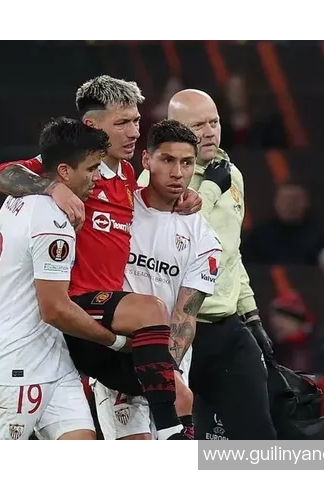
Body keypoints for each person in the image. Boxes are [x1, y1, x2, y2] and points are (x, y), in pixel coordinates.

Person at [0, 76, 202, 439]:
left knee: (180, 394)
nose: (134, 132)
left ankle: (173, 438)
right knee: (151, 311)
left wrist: (184, 197)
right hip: (79, 308)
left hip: (109, 315)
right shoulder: (76, 169)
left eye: (136, 120)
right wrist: (52, 188)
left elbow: (152, 197)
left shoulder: (128, 173)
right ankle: (167, 432)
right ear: (92, 125)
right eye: (122, 123)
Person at [138, 89, 277, 440]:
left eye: (214, 122)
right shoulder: (153, 179)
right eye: (198, 125)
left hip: (225, 324)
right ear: (176, 128)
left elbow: (229, 251)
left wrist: (250, 312)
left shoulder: (230, 174)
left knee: (257, 433)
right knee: (176, 436)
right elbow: (175, 241)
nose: (210, 132)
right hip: (174, 326)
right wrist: (211, 190)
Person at [0, 117, 112, 440]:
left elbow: (6, 174)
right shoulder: (52, 219)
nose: (98, 177)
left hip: (52, 360)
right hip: (12, 365)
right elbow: (55, 309)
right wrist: (113, 341)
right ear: (64, 172)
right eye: (91, 168)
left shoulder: (19, 195)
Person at [93, 120, 222, 440]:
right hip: (119, 358)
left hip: (170, 366)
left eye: (187, 163)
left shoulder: (205, 239)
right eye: (167, 160)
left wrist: (165, 372)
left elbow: (185, 316)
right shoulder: (118, 211)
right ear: (147, 160)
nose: (178, 172)